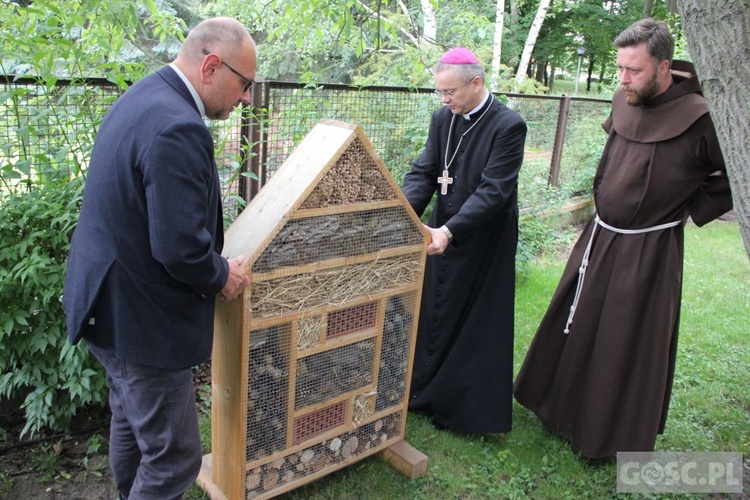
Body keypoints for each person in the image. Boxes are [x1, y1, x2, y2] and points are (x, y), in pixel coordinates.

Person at [513, 18, 733, 459]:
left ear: (664, 67)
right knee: (577, 323)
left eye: (634, 70)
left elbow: (731, 176)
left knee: (622, 340)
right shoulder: (624, 97)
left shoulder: (703, 118)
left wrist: (689, 209)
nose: (623, 79)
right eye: (620, 68)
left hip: (649, 250)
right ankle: (558, 411)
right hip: (600, 237)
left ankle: (605, 438)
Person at [63, 17, 254, 498]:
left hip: (108, 307)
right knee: (173, 460)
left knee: (130, 422)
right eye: (245, 83)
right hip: (141, 321)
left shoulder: (146, 95)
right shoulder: (178, 127)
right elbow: (180, 247)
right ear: (212, 65)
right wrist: (220, 276)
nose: (246, 98)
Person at [401, 47, 527, 434]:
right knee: (435, 310)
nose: (445, 100)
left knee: (474, 320)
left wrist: (450, 231)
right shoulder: (443, 118)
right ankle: (422, 391)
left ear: (477, 83)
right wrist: (400, 214)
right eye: (440, 93)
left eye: (450, 92)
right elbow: (425, 171)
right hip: (442, 230)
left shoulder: (508, 126)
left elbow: (493, 192)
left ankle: (465, 410)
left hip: (484, 237)